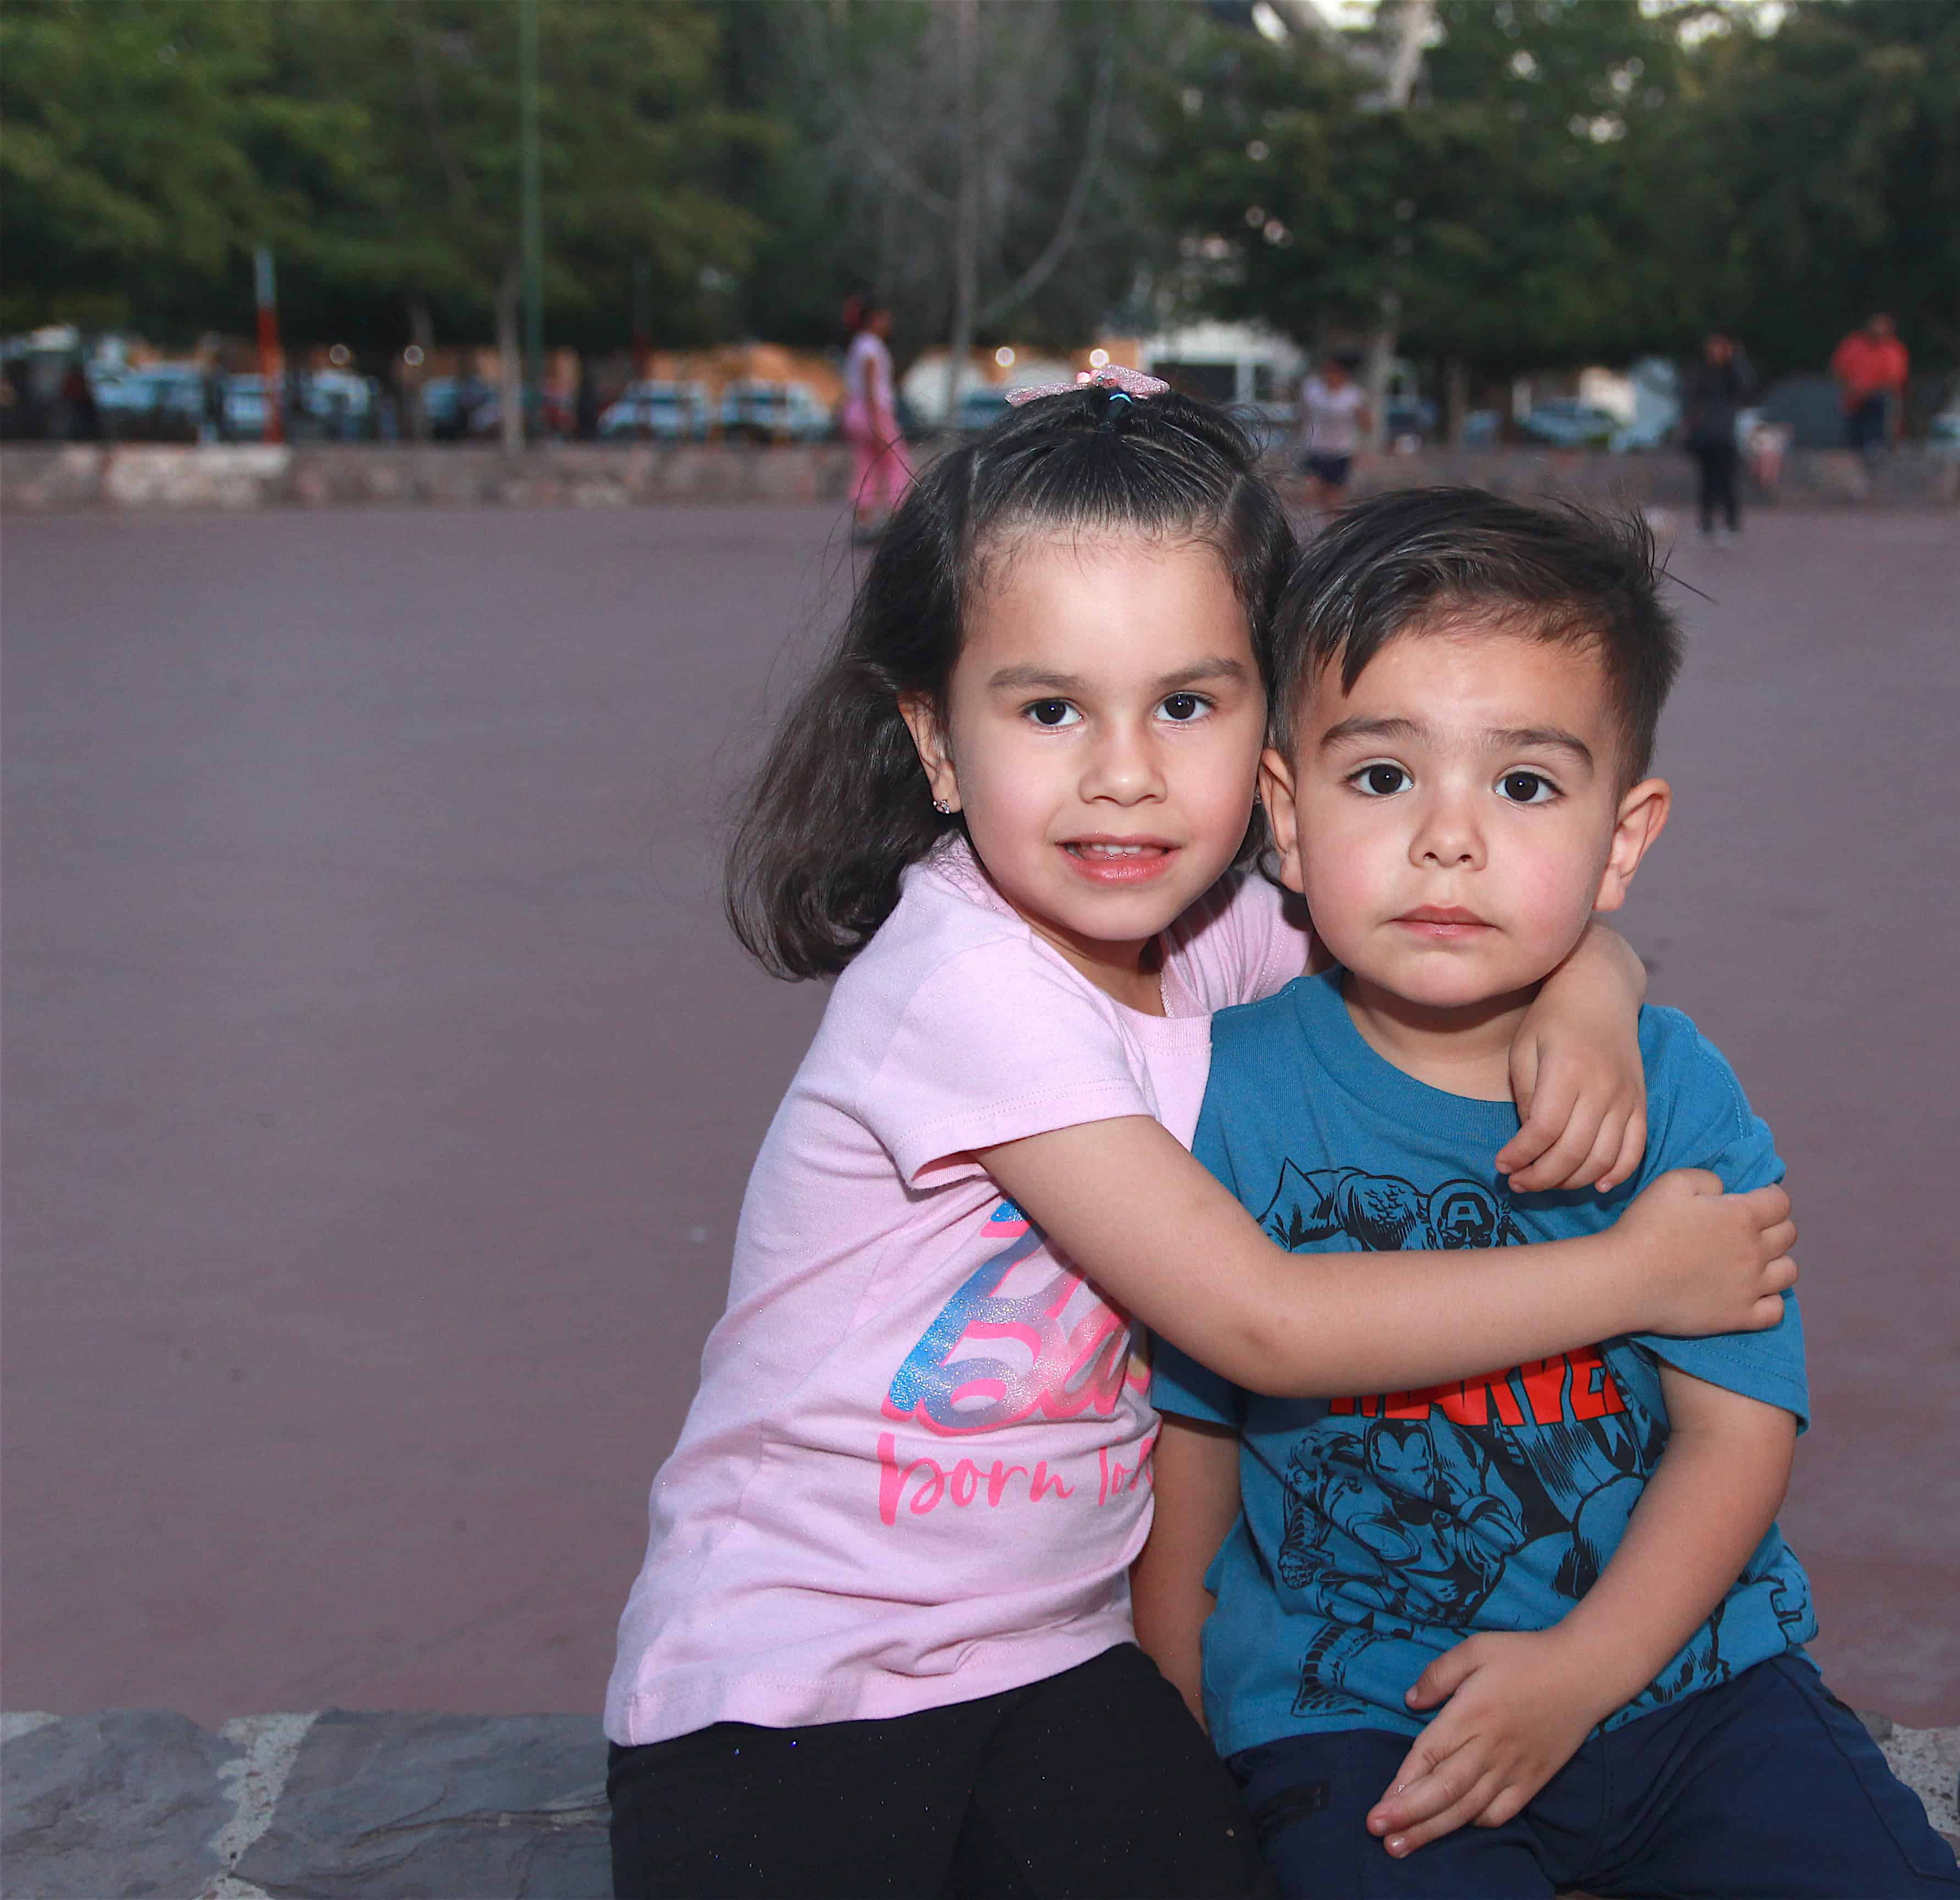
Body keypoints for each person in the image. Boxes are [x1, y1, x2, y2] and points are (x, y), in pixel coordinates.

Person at [603, 378, 1801, 1900]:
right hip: (790, 1663)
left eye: (1187, 703)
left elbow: (1453, 928)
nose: (1126, 774)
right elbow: (1265, 1319)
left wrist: (1595, 981)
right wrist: (1636, 1277)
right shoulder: (965, 985)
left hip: (1048, 1654)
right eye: (1051, 709)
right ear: (939, 740)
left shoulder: (1216, 930)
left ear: (1270, 732)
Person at [1137, 489, 1960, 1899]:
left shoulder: (1674, 1087)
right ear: (1283, 815)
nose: (1448, 839)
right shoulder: (1221, 1092)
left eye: (1523, 783)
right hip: (1362, 1719)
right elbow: (1193, 1452)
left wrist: (1582, 1672)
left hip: (1688, 1681)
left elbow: (1735, 1430)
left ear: (1622, 835)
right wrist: (1173, 1727)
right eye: (1380, 776)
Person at [841, 295, 912, 543]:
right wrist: (877, 424)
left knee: (866, 466)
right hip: (874, 412)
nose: (888, 322)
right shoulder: (872, 348)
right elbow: (871, 388)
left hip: (855, 411)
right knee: (897, 463)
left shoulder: (858, 344)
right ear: (874, 319)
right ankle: (898, 517)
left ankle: (864, 523)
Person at [1681, 333, 1757, 544]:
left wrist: (1737, 360)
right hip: (1705, 435)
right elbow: (1689, 398)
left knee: (1727, 481)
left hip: (1726, 434)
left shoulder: (1732, 372)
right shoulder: (1700, 371)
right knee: (1706, 480)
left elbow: (1746, 385)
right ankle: (1706, 523)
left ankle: (1731, 524)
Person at [1831, 312, 1908, 456]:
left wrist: (1867, 390)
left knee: (1882, 404)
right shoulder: (1854, 345)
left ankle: (1878, 446)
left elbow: (1893, 381)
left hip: (1878, 399)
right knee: (1854, 437)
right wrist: (1852, 388)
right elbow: (1839, 370)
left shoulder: (1893, 350)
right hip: (1853, 398)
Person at [1298, 355, 1367, 511]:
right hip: (1316, 449)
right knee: (1310, 492)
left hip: (1340, 452)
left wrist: (1362, 415)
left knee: (1333, 499)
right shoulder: (1312, 389)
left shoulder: (1353, 396)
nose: (1329, 376)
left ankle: (1332, 529)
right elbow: (1303, 415)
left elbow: (1366, 425)